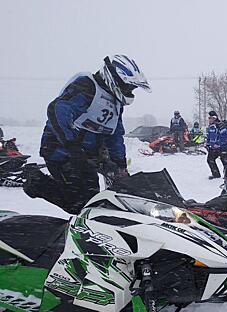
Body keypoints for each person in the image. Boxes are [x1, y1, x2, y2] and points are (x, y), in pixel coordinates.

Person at [23, 54, 150, 214]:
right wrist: (72, 146)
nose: (130, 91)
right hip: (60, 150)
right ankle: (37, 182)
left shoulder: (116, 103)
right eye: (128, 87)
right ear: (115, 78)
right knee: (78, 203)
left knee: (93, 203)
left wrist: (120, 164)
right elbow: (58, 110)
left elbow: (115, 134)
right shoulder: (87, 87)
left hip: (85, 157)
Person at [206, 113, 227, 179]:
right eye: (209, 118)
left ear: (214, 118)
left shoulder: (221, 126)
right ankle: (216, 174)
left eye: (210, 118)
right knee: (210, 160)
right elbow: (209, 136)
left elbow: (224, 136)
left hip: (222, 147)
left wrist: (219, 144)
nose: (209, 119)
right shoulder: (210, 126)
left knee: (225, 162)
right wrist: (208, 144)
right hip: (213, 148)